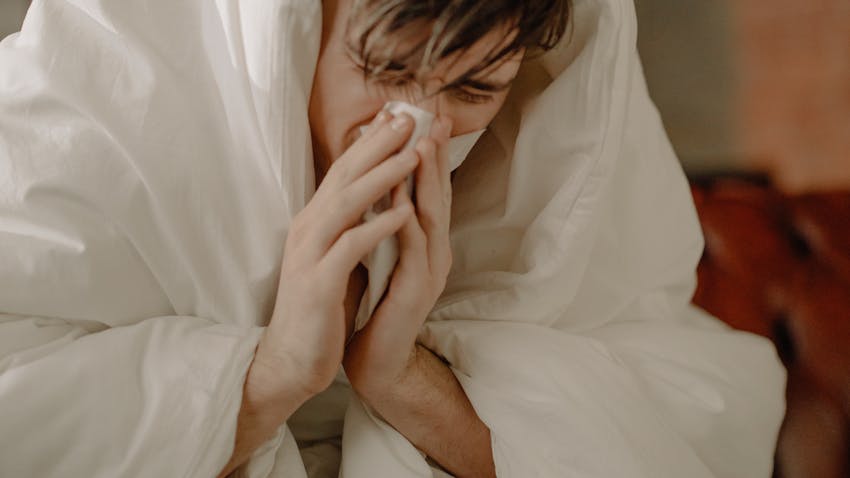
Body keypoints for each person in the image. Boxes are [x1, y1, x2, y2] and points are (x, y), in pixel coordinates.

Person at [0, 0, 786, 477]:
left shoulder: (550, 160)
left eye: (474, 88)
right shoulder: (81, 118)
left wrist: (400, 374)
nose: (417, 129)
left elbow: (685, 431)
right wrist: (274, 375)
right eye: (387, 68)